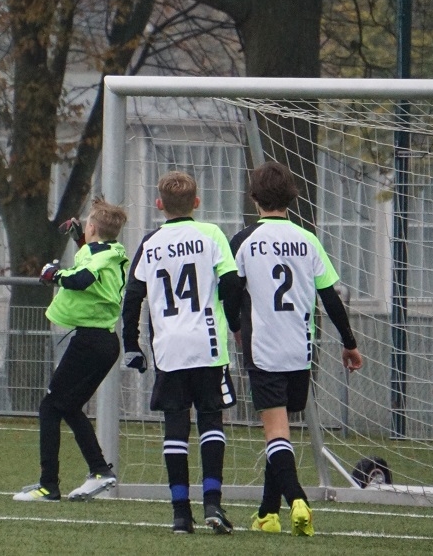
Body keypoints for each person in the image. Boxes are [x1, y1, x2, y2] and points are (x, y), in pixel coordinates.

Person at [229, 161, 363, 537]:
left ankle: (298, 500)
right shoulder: (308, 240)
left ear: (253, 197)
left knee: (275, 432)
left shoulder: (243, 241)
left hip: (264, 348)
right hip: (301, 349)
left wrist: (236, 326)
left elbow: (230, 292)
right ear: (292, 196)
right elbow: (330, 298)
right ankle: (267, 513)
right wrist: (349, 343)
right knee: (283, 430)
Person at [120, 171, 241, 534]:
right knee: (211, 419)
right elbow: (232, 283)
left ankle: (180, 514)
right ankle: (213, 504)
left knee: (175, 424)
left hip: (169, 348)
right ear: (197, 202)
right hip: (207, 343)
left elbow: (133, 297)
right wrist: (234, 322)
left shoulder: (150, 243)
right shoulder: (212, 234)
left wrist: (131, 343)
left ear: (159, 205)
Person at [13, 197, 129, 502]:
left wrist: (54, 275)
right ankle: (99, 470)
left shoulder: (98, 256)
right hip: (102, 341)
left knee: (50, 407)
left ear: (93, 228)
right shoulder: (111, 251)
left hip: (90, 342)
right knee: (68, 406)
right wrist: (80, 238)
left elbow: (81, 278)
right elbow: (92, 263)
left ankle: (48, 485)